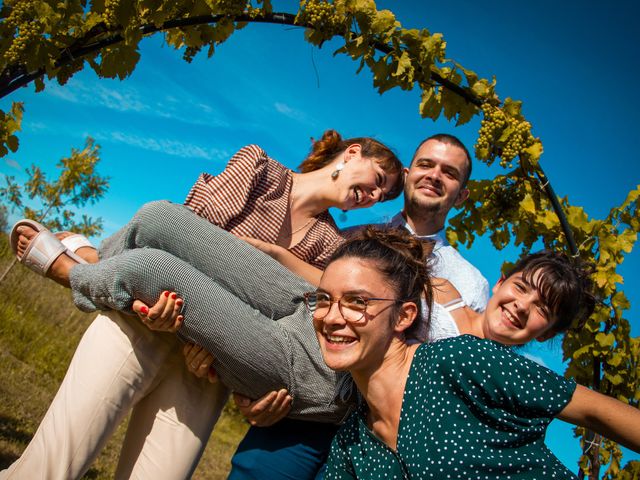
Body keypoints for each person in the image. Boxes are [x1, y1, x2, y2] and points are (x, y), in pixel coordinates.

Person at [4, 131, 403, 479]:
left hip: (208, 367)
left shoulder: (329, 245)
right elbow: (192, 228)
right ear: (352, 154)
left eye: (381, 197)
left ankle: (87, 262)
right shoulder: (262, 168)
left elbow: (285, 327)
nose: (373, 196)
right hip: (146, 322)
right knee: (53, 465)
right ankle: (88, 264)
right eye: (378, 180)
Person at [227, 133, 491, 480]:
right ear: (409, 174)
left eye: (449, 172)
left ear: (463, 195)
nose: (434, 176)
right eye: (426, 165)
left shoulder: (471, 284)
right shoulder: (347, 238)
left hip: (382, 438)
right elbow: (290, 306)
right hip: (301, 410)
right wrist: (251, 381)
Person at [310, 227, 640, 479]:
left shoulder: (464, 358)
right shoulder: (351, 444)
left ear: (406, 315)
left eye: (542, 308)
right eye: (323, 301)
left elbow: (596, 412)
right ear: (500, 282)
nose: (521, 306)